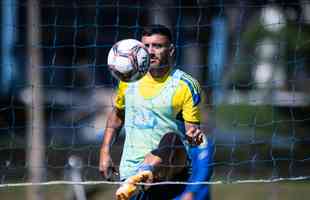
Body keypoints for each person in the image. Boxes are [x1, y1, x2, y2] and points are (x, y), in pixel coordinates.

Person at [99, 24, 212, 200]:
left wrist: (194, 135)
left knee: (171, 138)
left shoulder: (185, 85)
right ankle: (140, 175)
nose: (150, 52)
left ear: (171, 50)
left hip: (170, 173)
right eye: (146, 46)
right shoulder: (128, 78)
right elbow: (117, 115)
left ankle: (147, 171)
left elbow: (192, 132)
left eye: (157, 46)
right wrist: (104, 152)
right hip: (130, 175)